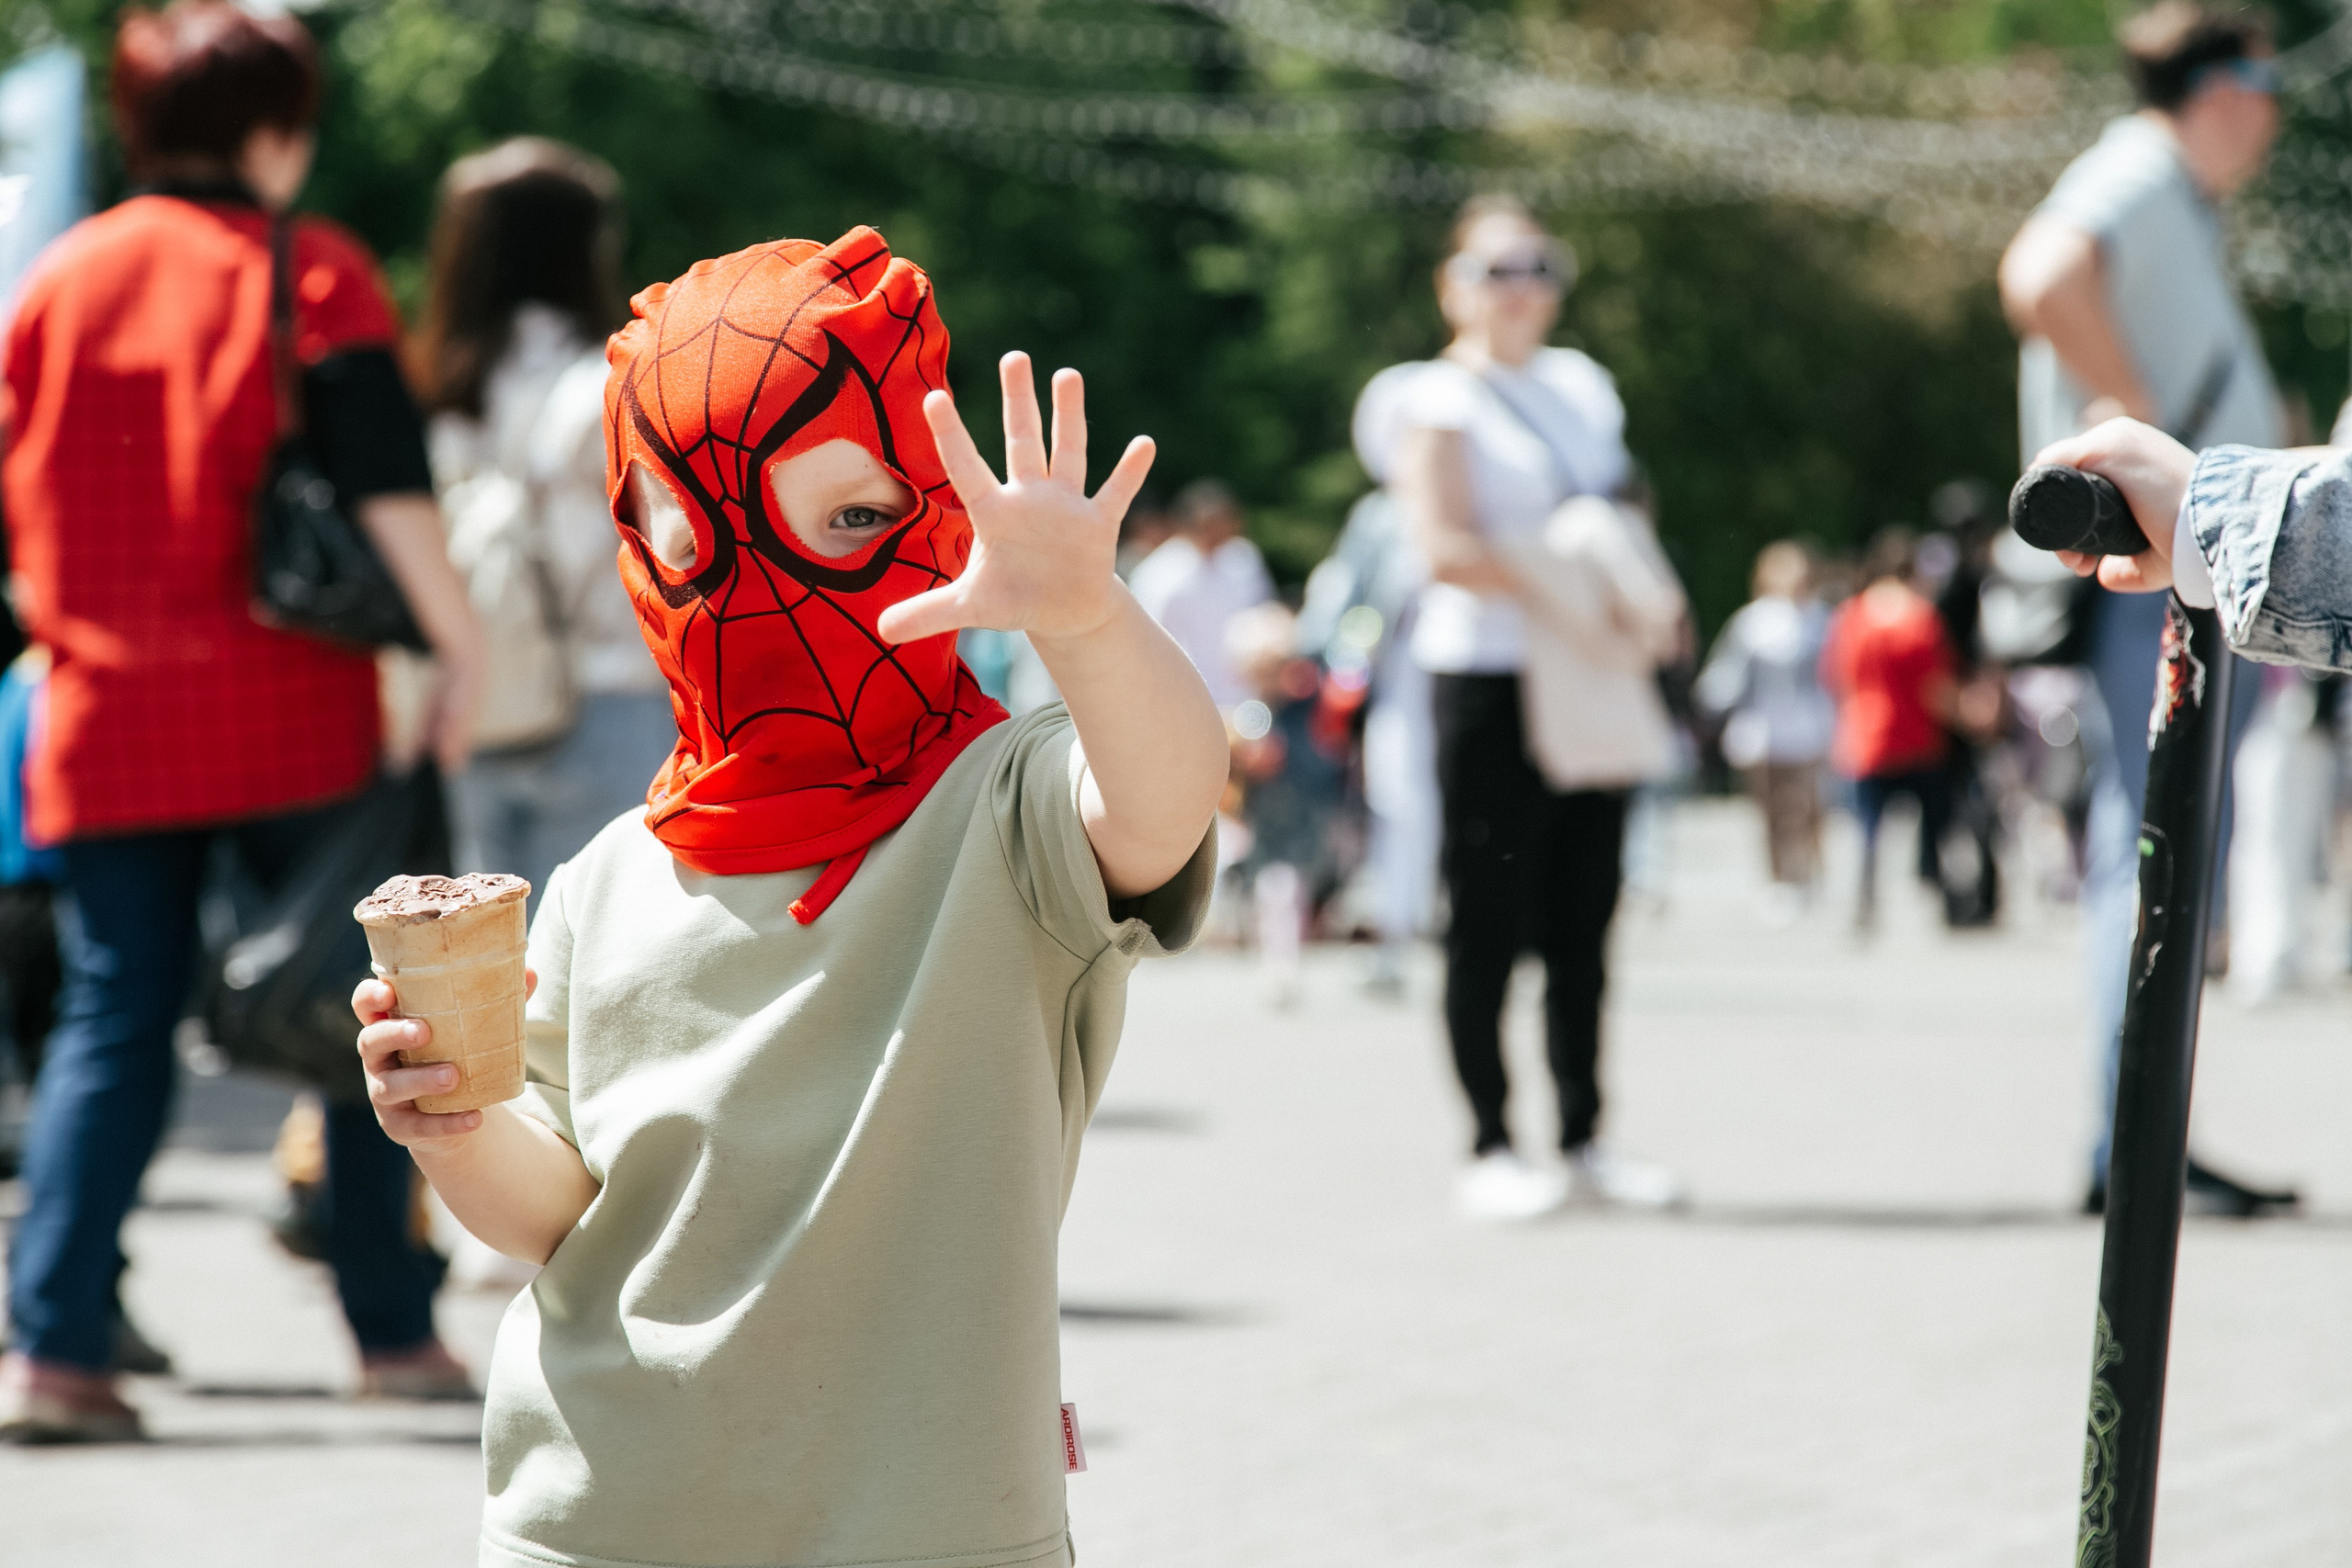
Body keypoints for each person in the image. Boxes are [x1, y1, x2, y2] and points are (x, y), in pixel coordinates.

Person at [352, 230, 1225, 1568]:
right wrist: (454, 1127)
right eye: (699, 535)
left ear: (936, 512)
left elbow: (1164, 803)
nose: (768, 585)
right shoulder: (606, 878)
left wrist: (1089, 619)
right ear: (643, 546)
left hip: (930, 1524)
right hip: (600, 1512)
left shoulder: (1006, 810)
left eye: (855, 520)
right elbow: (559, 1212)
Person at [0, 3, 489, 1442]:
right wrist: (456, 651)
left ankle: (55, 1347)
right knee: (359, 1012)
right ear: (276, 129)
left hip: (103, 706)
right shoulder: (310, 268)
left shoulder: (53, 281)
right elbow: (387, 489)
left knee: (113, 1016)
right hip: (294, 707)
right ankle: (391, 1333)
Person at [1997, 1, 2290, 1214]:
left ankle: (2146, 1128)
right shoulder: (2138, 172)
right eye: (2267, 87)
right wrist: (2145, 430)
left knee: (2168, 839)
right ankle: (2133, 1139)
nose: (2276, 116)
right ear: (2227, 91)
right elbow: (2040, 273)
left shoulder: (2169, 194)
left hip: (2187, 570)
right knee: (2159, 839)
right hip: (2164, 578)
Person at [1368, 193, 1680, 1220]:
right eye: (1498, 268)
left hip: (1587, 671)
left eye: (1538, 266)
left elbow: (1627, 502)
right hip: (1490, 677)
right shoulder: (1433, 398)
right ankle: (1491, 1140)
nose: (1521, 288)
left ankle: (1587, 1135)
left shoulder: (1583, 386)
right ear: (1452, 284)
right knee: (1488, 914)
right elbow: (1444, 546)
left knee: (1588, 915)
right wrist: (1568, 578)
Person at [413, 138, 673, 911]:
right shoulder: (613, 379)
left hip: (475, 705)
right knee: (605, 955)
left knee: (496, 965)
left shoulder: (437, 393)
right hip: (608, 697)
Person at [1820, 530, 1958, 930]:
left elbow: (1835, 676)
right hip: (1918, 736)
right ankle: (1938, 896)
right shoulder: (1921, 616)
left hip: (1865, 735)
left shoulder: (1852, 615)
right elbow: (1936, 685)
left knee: (1867, 827)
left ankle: (1864, 898)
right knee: (1933, 825)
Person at [1697, 541, 1835, 919]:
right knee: (1770, 809)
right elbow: (1729, 673)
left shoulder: (1821, 620)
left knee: (1809, 807)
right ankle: (1778, 879)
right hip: (1762, 730)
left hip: (1812, 727)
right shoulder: (1754, 622)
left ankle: (1809, 871)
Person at [1127, 477, 1274, 713]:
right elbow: (1144, 646)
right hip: (1186, 705)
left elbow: (1263, 618)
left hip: (1248, 702)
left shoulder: (1244, 559)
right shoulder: (1157, 574)